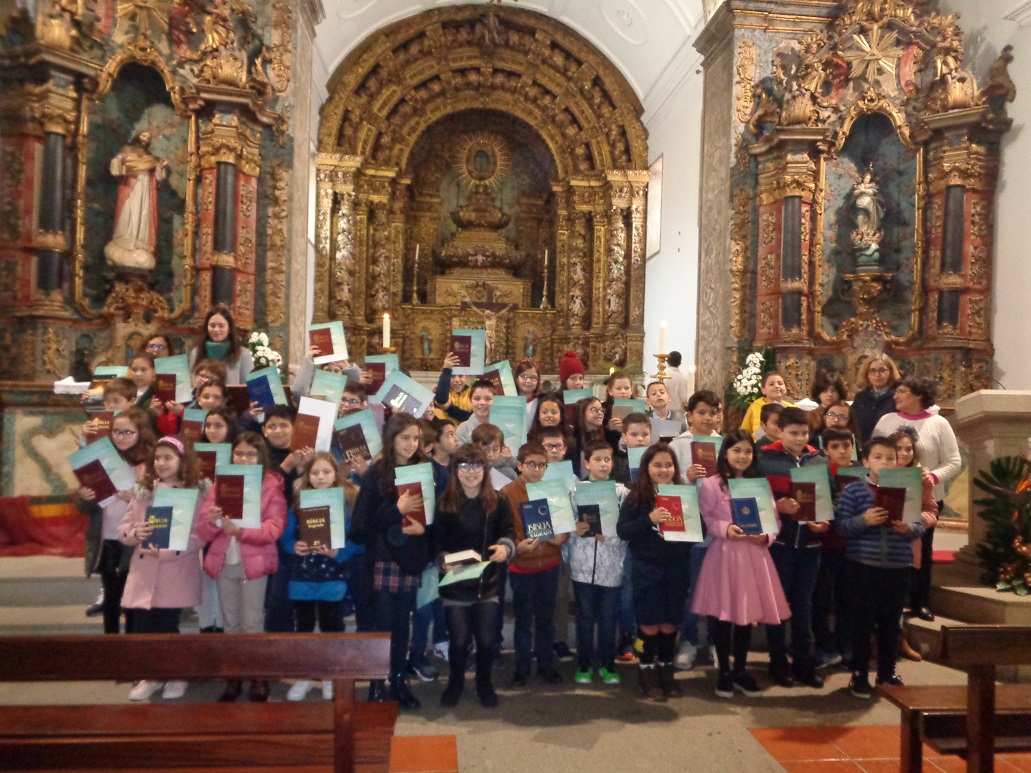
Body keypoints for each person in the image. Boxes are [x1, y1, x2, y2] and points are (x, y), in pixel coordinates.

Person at [350, 413, 439, 709]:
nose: (411, 444)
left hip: (410, 559)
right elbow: (360, 527)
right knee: (383, 626)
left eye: (416, 438)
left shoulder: (423, 470)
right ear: (391, 439)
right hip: (383, 560)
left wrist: (423, 529)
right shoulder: (377, 472)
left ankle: (399, 682)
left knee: (402, 626)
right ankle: (378, 684)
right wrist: (396, 510)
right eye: (405, 438)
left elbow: (433, 518)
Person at [693, 430, 791, 698]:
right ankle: (724, 671)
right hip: (725, 554)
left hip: (754, 556)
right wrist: (725, 529)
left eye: (747, 451)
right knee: (724, 617)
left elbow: (774, 520)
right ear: (725, 453)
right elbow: (705, 518)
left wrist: (766, 536)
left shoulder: (760, 484)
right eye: (736, 450)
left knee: (747, 617)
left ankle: (740, 670)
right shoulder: (712, 484)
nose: (742, 456)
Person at [196, 431, 287, 703]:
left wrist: (241, 531)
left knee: (252, 622)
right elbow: (203, 529)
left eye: (250, 454)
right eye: (239, 453)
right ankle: (234, 675)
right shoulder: (221, 483)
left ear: (260, 457)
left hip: (253, 562)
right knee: (230, 622)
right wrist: (213, 521)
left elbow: (274, 528)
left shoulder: (270, 485)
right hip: (224, 561)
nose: (244, 459)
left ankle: (258, 676)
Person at [117, 437, 208, 701]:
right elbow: (123, 528)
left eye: (168, 458)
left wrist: (168, 552)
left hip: (175, 571)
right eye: (157, 458)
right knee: (144, 627)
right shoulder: (144, 491)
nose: (161, 463)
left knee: (168, 628)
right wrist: (135, 532)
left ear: (182, 461)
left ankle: (176, 675)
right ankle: (152, 676)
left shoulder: (193, 493)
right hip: (144, 571)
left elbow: (200, 534)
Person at [835, 437, 925, 698]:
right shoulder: (854, 490)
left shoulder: (906, 490)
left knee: (890, 623)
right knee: (862, 622)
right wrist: (864, 520)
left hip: (897, 566)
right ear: (866, 461)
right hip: (863, 565)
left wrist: (906, 528)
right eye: (878, 457)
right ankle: (859, 674)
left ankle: (887, 673)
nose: (884, 462)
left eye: (890, 458)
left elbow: (918, 527)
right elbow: (841, 527)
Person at [872, 375, 961, 621]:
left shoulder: (938, 423)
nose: (895, 396)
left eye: (902, 391)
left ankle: (920, 602)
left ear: (919, 395)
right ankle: (890, 603)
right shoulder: (887, 420)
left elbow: (954, 461)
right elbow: (874, 453)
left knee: (921, 551)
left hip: (925, 497)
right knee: (889, 549)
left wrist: (932, 477)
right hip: (889, 495)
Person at [434, 445, 515, 708]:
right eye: (464, 466)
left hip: (487, 581)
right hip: (456, 581)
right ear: (455, 470)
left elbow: (508, 531)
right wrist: (443, 559)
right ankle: (456, 681)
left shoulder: (498, 501)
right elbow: (436, 542)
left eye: (476, 466)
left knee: (487, 640)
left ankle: (484, 682)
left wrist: (505, 547)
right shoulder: (445, 503)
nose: (471, 472)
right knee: (458, 641)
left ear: (485, 469)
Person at [280, 452, 361, 701]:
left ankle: (329, 676)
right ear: (307, 476)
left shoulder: (347, 503)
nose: (321, 477)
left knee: (332, 629)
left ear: (336, 474)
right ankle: (304, 676)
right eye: (315, 472)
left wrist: (339, 552)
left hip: (332, 577)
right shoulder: (298, 503)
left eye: (326, 471)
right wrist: (293, 546)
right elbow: (285, 536)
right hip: (302, 577)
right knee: (303, 629)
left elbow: (358, 541)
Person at [757, 406, 828, 688]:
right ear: (779, 432)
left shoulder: (817, 460)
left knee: (803, 605)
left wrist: (824, 520)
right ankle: (778, 664)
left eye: (804, 433)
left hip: (810, 545)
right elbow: (753, 499)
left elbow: (829, 498)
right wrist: (778, 506)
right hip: (780, 544)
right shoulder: (764, 458)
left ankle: (804, 665)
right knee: (777, 606)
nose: (799, 439)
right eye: (793, 433)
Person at [616, 444, 690, 701]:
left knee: (670, 622)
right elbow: (623, 530)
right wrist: (650, 519)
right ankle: (646, 670)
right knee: (649, 622)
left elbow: (699, 530)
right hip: (647, 567)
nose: (663, 470)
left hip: (676, 566)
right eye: (657, 465)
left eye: (668, 465)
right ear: (646, 468)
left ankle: (666, 669)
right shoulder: (637, 496)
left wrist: (684, 530)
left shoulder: (683, 494)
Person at [76, 406, 155, 634]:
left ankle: (131, 643)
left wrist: (137, 499)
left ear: (141, 433)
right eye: (116, 432)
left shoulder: (150, 464)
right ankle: (110, 642)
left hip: (135, 538)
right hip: (107, 537)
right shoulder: (103, 461)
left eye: (127, 432)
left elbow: (161, 502)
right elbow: (86, 507)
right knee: (111, 596)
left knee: (130, 598)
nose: (120, 437)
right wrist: (85, 497)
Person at [500, 442, 568, 687]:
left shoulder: (554, 490)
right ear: (519, 465)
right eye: (531, 464)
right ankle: (522, 668)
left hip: (549, 563)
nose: (537, 469)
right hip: (522, 565)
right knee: (523, 620)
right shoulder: (508, 493)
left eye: (542, 465)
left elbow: (564, 526)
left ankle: (546, 665)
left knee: (546, 619)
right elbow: (504, 529)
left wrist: (561, 537)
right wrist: (517, 546)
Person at [569, 439, 628, 686]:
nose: (603, 464)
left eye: (607, 459)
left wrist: (610, 538)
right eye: (597, 459)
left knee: (607, 618)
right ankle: (583, 662)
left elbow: (626, 529)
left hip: (612, 565)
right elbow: (566, 522)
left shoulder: (622, 493)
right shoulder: (575, 491)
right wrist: (574, 529)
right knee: (584, 616)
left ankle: (607, 662)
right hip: (582, 566)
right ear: (586, 463)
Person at [889, 426, 940, 659]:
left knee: (899, 597)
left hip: (907, 542)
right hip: (880, 543)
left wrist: (914, 518)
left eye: (908, 449)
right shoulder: (879, 473)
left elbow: (932, 511)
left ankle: (899, 640)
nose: (904, 453)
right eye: (898, 448)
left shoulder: (921, 478)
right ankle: (875, 641)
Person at [812, 427, 860, 670]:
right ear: (826, 450)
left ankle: (845, 646)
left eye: (846, 445)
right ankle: (825, 646)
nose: (842, 451)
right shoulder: (821, 473)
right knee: (821, 599)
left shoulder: (862, 472)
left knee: (848, 599)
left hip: (853, 546)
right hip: (826, 544)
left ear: (853, 446)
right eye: (835, 447)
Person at [188, 305, 254, 385]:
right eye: (212, 326)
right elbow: (193, 385)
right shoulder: (196, 353)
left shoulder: (242, 354)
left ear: (229, 328)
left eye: (221, 326)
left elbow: (249, 386)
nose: (216, 329)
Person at [851, 355, 901, 446]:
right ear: (867, 373)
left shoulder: (897, 397)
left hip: (889, 446)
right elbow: (854, 424)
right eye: (873, 370)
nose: (877, 374)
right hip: (864, 446)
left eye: (882, 370)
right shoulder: (860, 397)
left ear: (890, 372)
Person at [740, 371, 794, 439]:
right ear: (763, 390)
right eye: (771, 384)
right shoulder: (755, 406)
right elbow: (744, 431)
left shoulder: (792, 408)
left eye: (780, 384)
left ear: (786, 389)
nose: (777, 386)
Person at [433, 351, 472, 424]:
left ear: (467, 377)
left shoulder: (473, 393)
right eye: (452, 376)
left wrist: (449, 408)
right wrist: (446, 370)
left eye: (460, 376)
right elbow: (441, 400)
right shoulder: (440, 392)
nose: (457, 380)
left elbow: (473, 418)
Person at [456, 379, 496, 446]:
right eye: (477, 399)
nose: (482, 403)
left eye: (488, 399)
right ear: (470, 401)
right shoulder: (463, 429)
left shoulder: (502, 425)